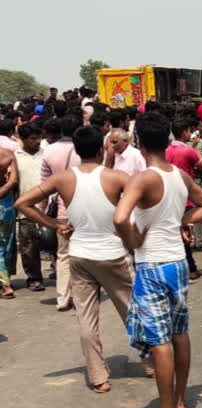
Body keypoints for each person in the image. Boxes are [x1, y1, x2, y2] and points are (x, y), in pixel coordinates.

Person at [113, 112, 202, 408]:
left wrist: (133, 241)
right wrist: (185, 222)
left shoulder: (144, 178)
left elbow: (119, 217)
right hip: (177, 263)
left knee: (160, 343)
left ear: (140, 142)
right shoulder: (177, 176)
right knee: (179, 333)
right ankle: (180, 402)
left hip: (153, 264)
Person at [15, 126, 137, 392]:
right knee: (133, 311)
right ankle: (152, 360)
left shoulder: (63, 179)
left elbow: (22, 202)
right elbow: (143, 201)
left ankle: (97, 375)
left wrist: (55, 224)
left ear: (78, 152)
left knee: (86, 317)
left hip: (79, 253)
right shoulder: (116, 177)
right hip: (112, 252)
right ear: (101, 149)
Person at [40, 115, 82, 311]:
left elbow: (44, 186)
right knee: (83, 253)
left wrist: (41, 213)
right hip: (85, 208)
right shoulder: (84, 149)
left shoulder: (49, 151)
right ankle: (82, 296)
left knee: (63, 254)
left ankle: (62, 298)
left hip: (62, 208)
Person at [166, 118, 202, 281]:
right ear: (184, 132)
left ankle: (186, 267)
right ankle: (189, 268)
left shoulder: (167, 150)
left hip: (171, 196)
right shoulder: (188, 150)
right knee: (186, 235)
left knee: (178, 233)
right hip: (187, 196)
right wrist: (196, 148)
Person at [14, 123, 46, 291]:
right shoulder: (16, 157)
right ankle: (34, 277)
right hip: (26, 207)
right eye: (33, 138)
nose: (37, 141)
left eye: (39, 138)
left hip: (47, 206)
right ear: (23, 139)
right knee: (28, 245)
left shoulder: (46, 154)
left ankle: (59, 272)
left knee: (52, 241)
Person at [0, 148, 18, 298]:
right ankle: (6, 279)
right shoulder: (7, 154)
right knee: (6, 242)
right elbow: (13, 180)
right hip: (6, 202)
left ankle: (4, 285)